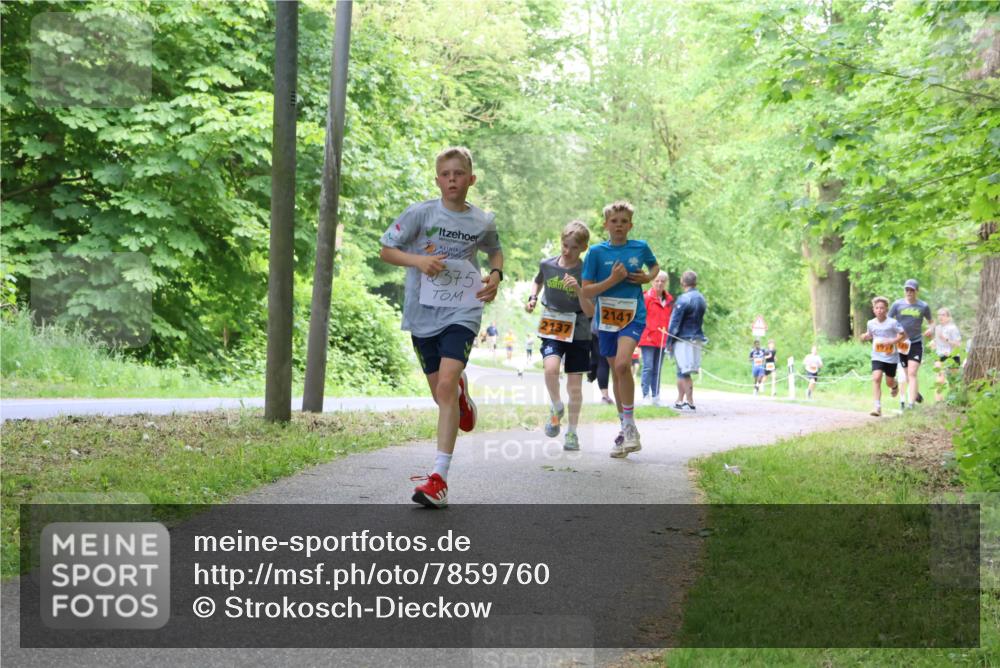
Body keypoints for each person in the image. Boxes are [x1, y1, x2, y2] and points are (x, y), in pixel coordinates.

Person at [379, 146, 503, 508]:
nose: (452, 180)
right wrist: (417, 260)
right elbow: (386, 249)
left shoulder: (482, 221)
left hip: (464, 310)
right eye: (446, 174)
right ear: (438, 180)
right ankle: (460, 396)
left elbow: (495, 251)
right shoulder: (420, 214)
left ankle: (439, 479)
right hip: (423, 313)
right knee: (442, 394)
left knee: (445, 385)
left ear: (471, 179)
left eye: (459, 174)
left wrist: (495, 275)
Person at [581, 200, 660, 458]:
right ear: (606, 225)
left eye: (624, 222)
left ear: (630, 225)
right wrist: (613, 280)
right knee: (617, 372)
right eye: (614, 221)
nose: (619, 226)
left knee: (623, 365)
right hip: (606, 320)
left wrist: (648, 278)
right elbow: (587, 290)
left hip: (633, 315)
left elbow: (654, 266)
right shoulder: (595, 253)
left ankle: (629, 429)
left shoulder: (640, 247)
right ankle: (626, 428)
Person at [525, 220, 595, 451]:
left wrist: (578, 289)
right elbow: (538, 281)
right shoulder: (548, 264)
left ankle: (572, 433)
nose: (568, 251)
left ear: (583, 248)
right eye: (565, 245)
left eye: (574, 247)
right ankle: (556, 407)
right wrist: (532, 298)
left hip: (579, 327)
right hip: (553, 322)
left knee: (575, 386)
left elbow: (590, 311)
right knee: (550, 369)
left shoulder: (586, 272)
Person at [888, 279, 934, 410]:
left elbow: (931, 322)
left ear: (916, 291)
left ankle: (911, 405)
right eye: (907, 289)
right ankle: (915, 394)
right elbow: (889, 321)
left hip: (916, 342)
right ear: (904, 291)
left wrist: (931, 329)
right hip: (902, 344)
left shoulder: (923, 306)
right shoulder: (897, 304)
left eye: (912, 290)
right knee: (908, 374)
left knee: (912, 373)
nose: (909, 292)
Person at [667, 270, 707, 411]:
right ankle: (685, 400)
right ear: (695, 282)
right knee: (687, 371)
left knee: (682, 371)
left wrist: (669, 341)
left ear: (682, 282)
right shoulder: (702, 299)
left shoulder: (683, 299)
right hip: (697, 337)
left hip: (683, 338)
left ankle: (684, 400)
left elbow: (675, 322)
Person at [860, 296, 905, 417]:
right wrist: (865, 336)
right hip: (877, 355)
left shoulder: (893, 323)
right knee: (876, 377)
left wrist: (892, 342)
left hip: (891, 356)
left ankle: (894, 386)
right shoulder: (870, 323)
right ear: (873, 309)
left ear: (886, 310)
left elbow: (902, 335)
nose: (879, 310)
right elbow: (870, 335)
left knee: (889, 382)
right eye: (877, 308)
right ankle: (877, 407)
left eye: (882, 308)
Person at [639, 273, 673, 406]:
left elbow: (671, 319)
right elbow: (640, 318)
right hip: (648, 338)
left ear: (666, 283)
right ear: (652, 281)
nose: (659, 283)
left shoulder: (669, 300)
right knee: (648, 366)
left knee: (657, 368)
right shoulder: (646, 297)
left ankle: (656, 396)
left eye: (662, 281)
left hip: (662, 338)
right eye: (657, 281)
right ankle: (645, 395)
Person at [931, 307, 962, 401]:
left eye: (943, 315)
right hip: (940, 355)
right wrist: (933, 343)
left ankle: (953, 400)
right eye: (939, 315)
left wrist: (946, 339)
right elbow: (937, 340)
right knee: (939, 379)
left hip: (952, 355)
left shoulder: (953, 328)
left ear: (948, 317)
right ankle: (938, 401)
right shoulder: (937, 328)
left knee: (953, 381)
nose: (940, 317)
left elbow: (958, 344)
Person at [587, 316, 614, 405]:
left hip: (594, 326)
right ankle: (605, 396)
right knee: (603, 361)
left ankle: (605, 396)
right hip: (608, 325)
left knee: (598, 358)